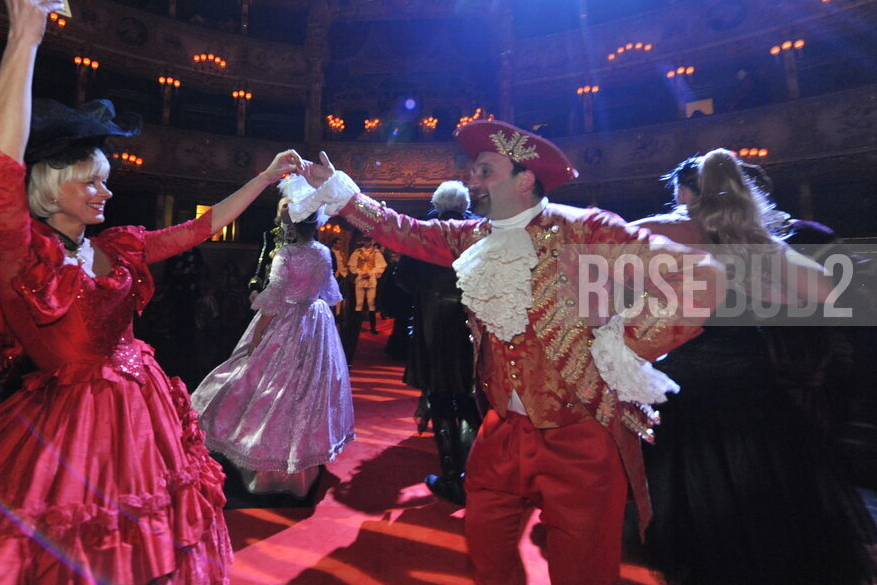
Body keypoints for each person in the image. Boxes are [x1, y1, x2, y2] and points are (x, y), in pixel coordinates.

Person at [0, 0, 302, 585]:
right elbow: (1, 159)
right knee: (61, 546)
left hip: (144, 416)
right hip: (72, 430)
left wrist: (265, 177)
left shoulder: (118, 247)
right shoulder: (20, 253)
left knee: (146, 545)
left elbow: (204, 225)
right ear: (50, 188)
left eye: (105, 180)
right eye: (91, 181)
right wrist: (23, 37)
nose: (106, 191)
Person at [290, 120, 724, 585]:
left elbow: (700, 275)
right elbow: (406, 231)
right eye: (473, 171)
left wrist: (624, 343)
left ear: (525, 179)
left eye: (484, 171)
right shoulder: (472, 237)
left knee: (582, 570)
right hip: (501, 429)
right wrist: (341, 193)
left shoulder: (585, 229)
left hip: (580, 434)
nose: (472, 180)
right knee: (488, 548)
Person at [631, 151, 876, 585]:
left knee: (702, 516)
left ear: (683, 193)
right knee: (770, 506)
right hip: (751, 382)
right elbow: (826, 294)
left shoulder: (658, 231)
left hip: (685, 383)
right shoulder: (749, 239)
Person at [191, 182, 354, 498]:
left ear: (290, 221)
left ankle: (269, 460)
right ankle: (298, 458)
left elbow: (275, 296)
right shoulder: (323, 252)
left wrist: (258, 334)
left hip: (287, 320)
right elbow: (329, 293)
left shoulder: (285, 254)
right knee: (308, 390)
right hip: (317, 323)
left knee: (270, 387)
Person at [392, 181, 480, 505]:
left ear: (436, 203)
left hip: (432, 316)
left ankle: (450, 478)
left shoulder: (423, 232)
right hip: (471, 314)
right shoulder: (478, 230)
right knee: (470, 394)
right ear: (465, 203)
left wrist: (424, 290)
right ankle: (475, 476)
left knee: (441, 395)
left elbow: (403, 277)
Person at [349, 238, 386, 333]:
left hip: (371, 279)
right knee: (359, 303)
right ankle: (357, 327)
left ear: (372, 241)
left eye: (368, 241)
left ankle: (373, 328)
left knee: (371, 302)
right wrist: (360, 273)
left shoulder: (376, 253)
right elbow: (352, 266)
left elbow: (381, 266)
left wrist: (370, 273)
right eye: (365, 240)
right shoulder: (357, 252)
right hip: (361, 279)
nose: (367, 243)